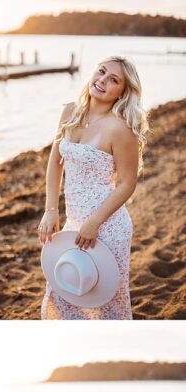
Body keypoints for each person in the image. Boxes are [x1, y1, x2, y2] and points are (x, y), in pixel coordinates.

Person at [38, 56, 149, 319]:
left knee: (106, 303)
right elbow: (56, 161)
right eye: (101, 72)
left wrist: (95, 222)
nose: (102, 81)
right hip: (74, 221)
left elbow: (126, 183)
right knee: (62, 293)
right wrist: (51, 209)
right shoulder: (69, 112)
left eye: (113, 80)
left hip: (107, 226)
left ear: (122, 92)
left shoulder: (120, 129)